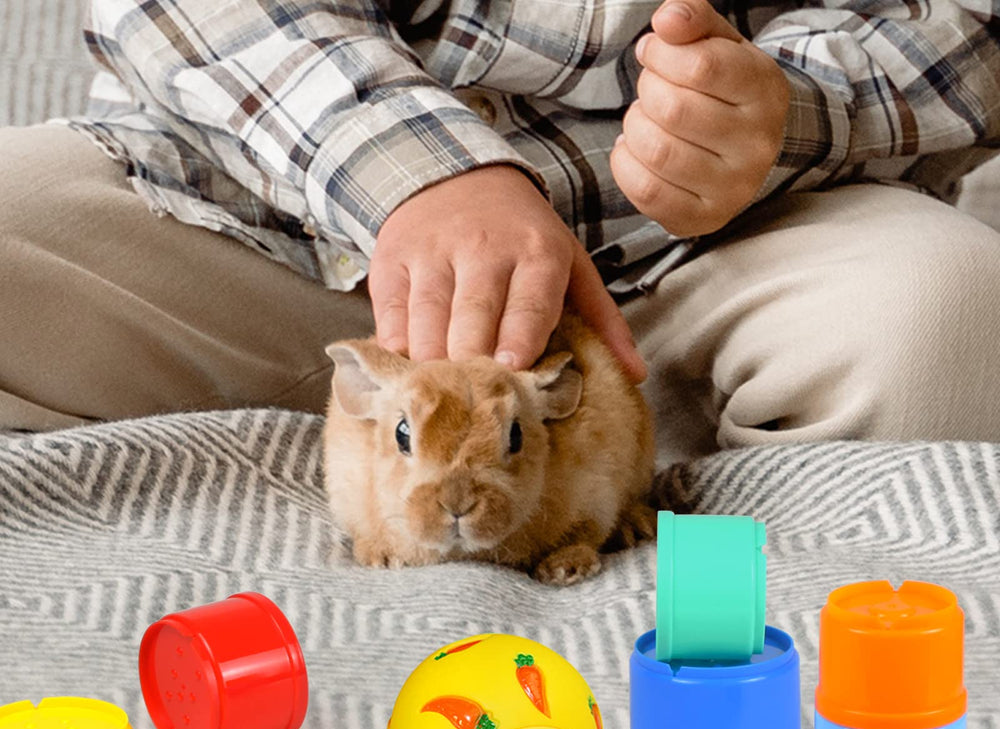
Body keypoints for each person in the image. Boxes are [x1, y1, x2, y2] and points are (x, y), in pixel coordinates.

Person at [2, 0, 999, 462]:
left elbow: (966, 28)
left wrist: (795, 108)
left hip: (719, 253)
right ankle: (389, 427)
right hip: (286, 229)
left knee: (943, 321)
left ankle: (626, 449)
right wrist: (422, 175)